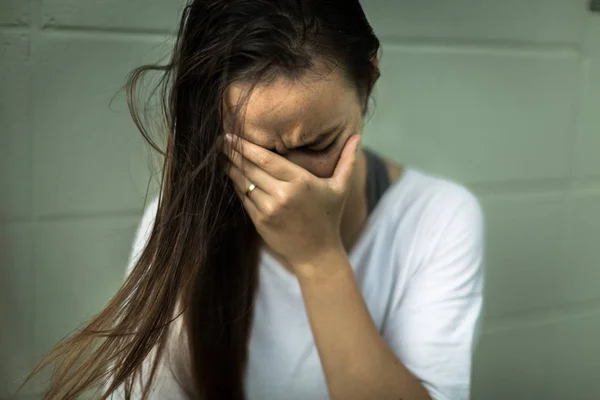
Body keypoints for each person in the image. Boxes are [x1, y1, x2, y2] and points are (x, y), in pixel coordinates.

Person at [21, 1, 484, 399]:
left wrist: (319, 258)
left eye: (319, 144)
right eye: (257, 155)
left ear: (369, 78)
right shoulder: (180, 222)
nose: (290, 184)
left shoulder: (439, 217)